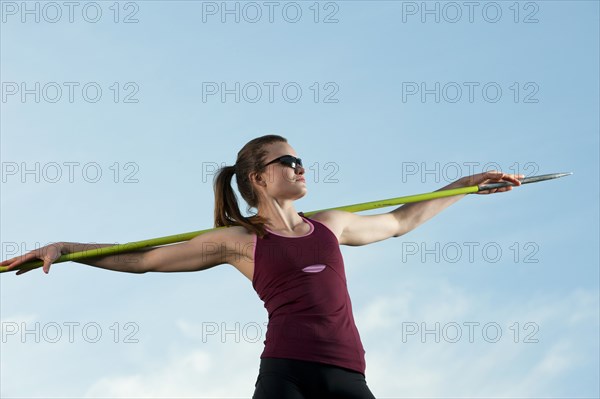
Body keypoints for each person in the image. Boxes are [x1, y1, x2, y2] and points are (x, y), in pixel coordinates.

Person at [1, 134, 523, 398]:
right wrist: (67, 249)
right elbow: (145, 260)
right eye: (287, 162)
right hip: (287, 372)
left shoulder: (333, 224)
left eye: (301, 160)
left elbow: (403, 220)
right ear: (257, 177)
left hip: (347, 372)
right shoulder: (239, 240)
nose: (300, 167)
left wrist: (465, 186)